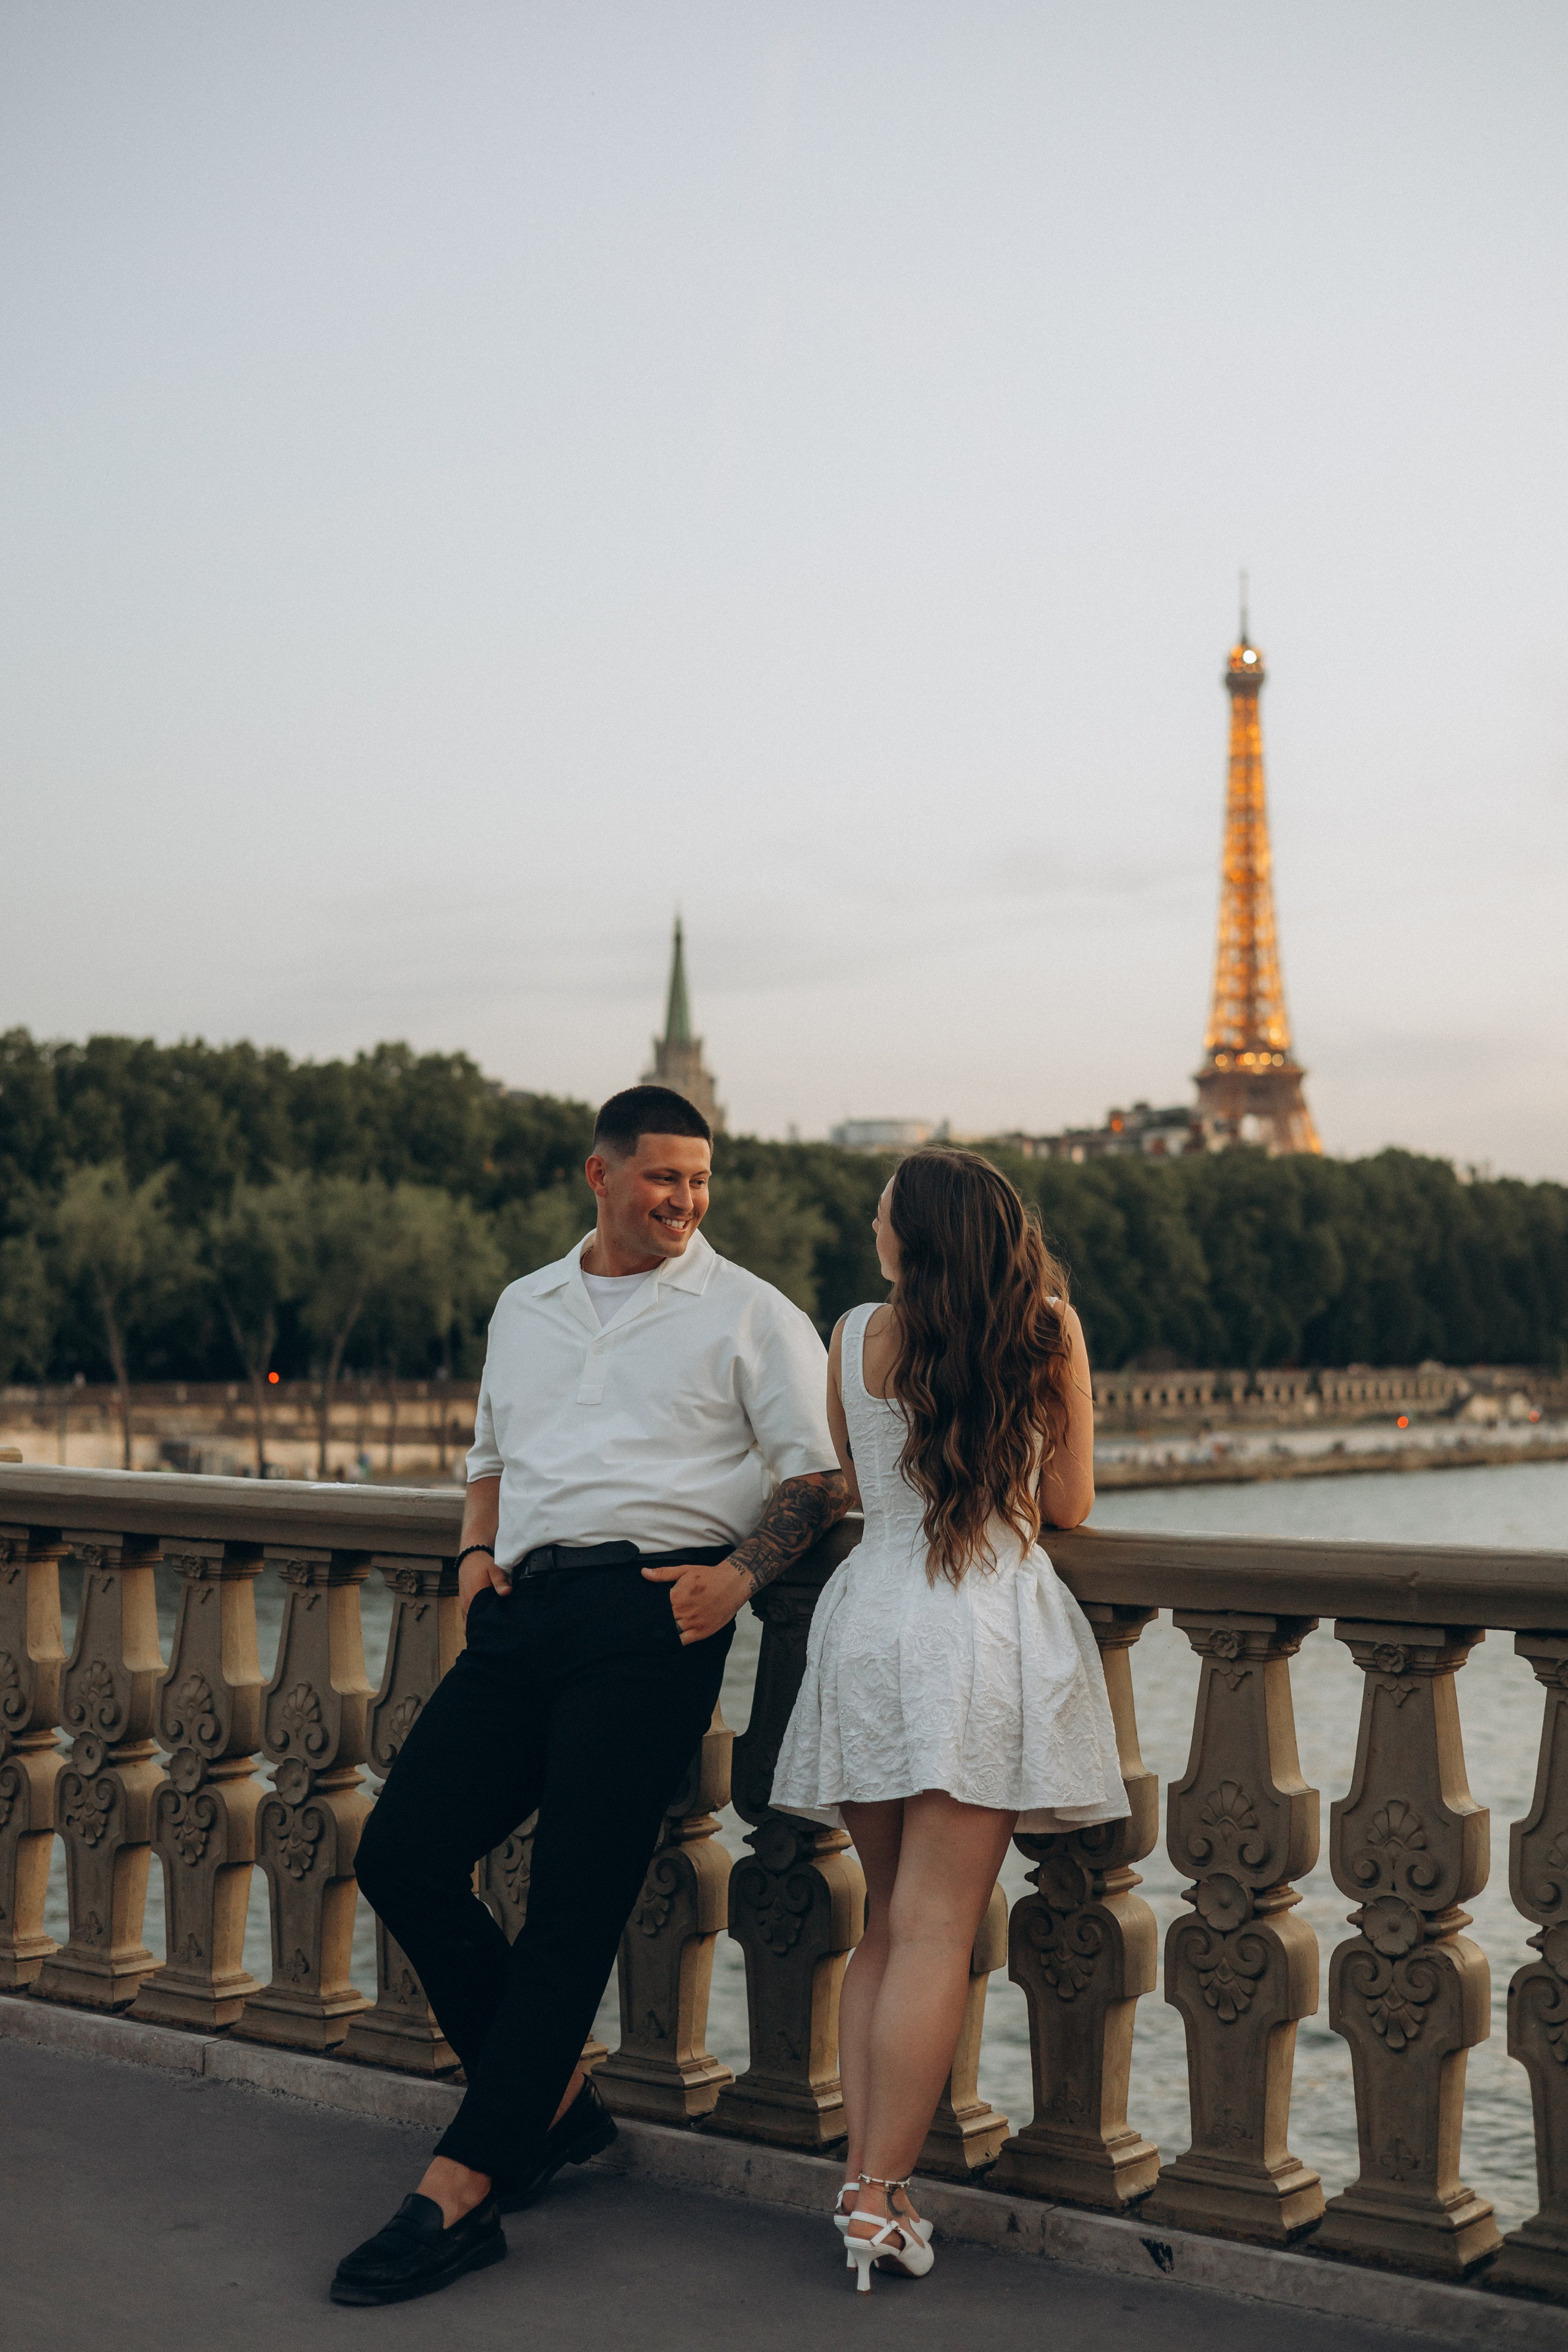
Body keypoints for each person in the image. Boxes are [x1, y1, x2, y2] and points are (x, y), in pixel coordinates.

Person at [332, 1085, 847, 2307]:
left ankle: (463, 2188)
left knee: (573, 1905)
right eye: (662, 1177)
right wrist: (471, 1556)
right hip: (522, 1617)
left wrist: (734, 1579)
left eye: (699, 1180)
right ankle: (552, 2105)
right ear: (599, 1175)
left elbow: (817, 1476)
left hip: (650, 1622)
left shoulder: (750, 1313)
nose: (684, 1201)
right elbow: (491, 1460)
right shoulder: (528, 1304)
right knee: (402, 1853)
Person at [770, 1147, 1127, 2292]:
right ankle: (876, 2199)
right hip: (974, 1629)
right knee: (934, 1930)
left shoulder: (848, 1338)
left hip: (869, 1621)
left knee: (889, 1923)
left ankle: (864, 2188)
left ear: (912, 1238)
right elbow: (1068, 1503)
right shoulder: (1046, 1329)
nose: (872, 1230)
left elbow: (864, 1490)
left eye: (881, 1216)